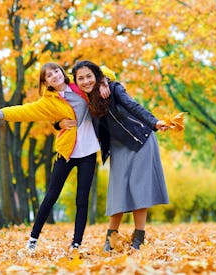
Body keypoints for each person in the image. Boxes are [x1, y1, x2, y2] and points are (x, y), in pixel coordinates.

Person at [0, 62, 103, 252]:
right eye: (49, 76)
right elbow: (24, 111)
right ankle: (33, 240)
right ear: (46, 83)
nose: (54, 75)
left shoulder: (79, 84)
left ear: (62, 72)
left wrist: (104, 83)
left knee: (82, 199)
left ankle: (76, 243)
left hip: (89, 152)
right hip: (67, 152)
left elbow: (102, 72)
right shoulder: (48, 102)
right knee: (51, 196)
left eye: (56, 71)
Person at [67, 60, 170, 251]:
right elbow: (57, 99)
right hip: (117, 146)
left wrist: (155, 122)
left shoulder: (113, 89)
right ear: (76, 81)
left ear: (97, 75)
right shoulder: (81, 99)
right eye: (80, 78)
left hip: (140, 139)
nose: (86, 81)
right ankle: (111, 238)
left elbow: (133, 106)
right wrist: (58, 124)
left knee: (138, 189)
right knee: (118, 191)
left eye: (90, 76)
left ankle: (139, 238)